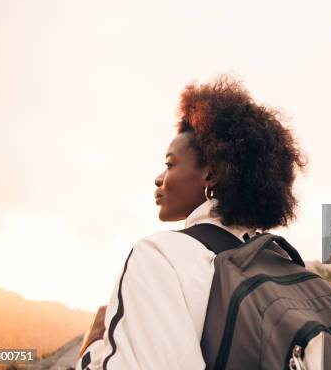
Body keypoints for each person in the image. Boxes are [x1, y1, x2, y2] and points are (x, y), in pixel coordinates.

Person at [75, 76, 305, 369]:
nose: (159, 177)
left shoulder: (160, 255)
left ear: (211, 175)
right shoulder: (282, 260)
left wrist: (91, 349)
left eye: (170, 164)